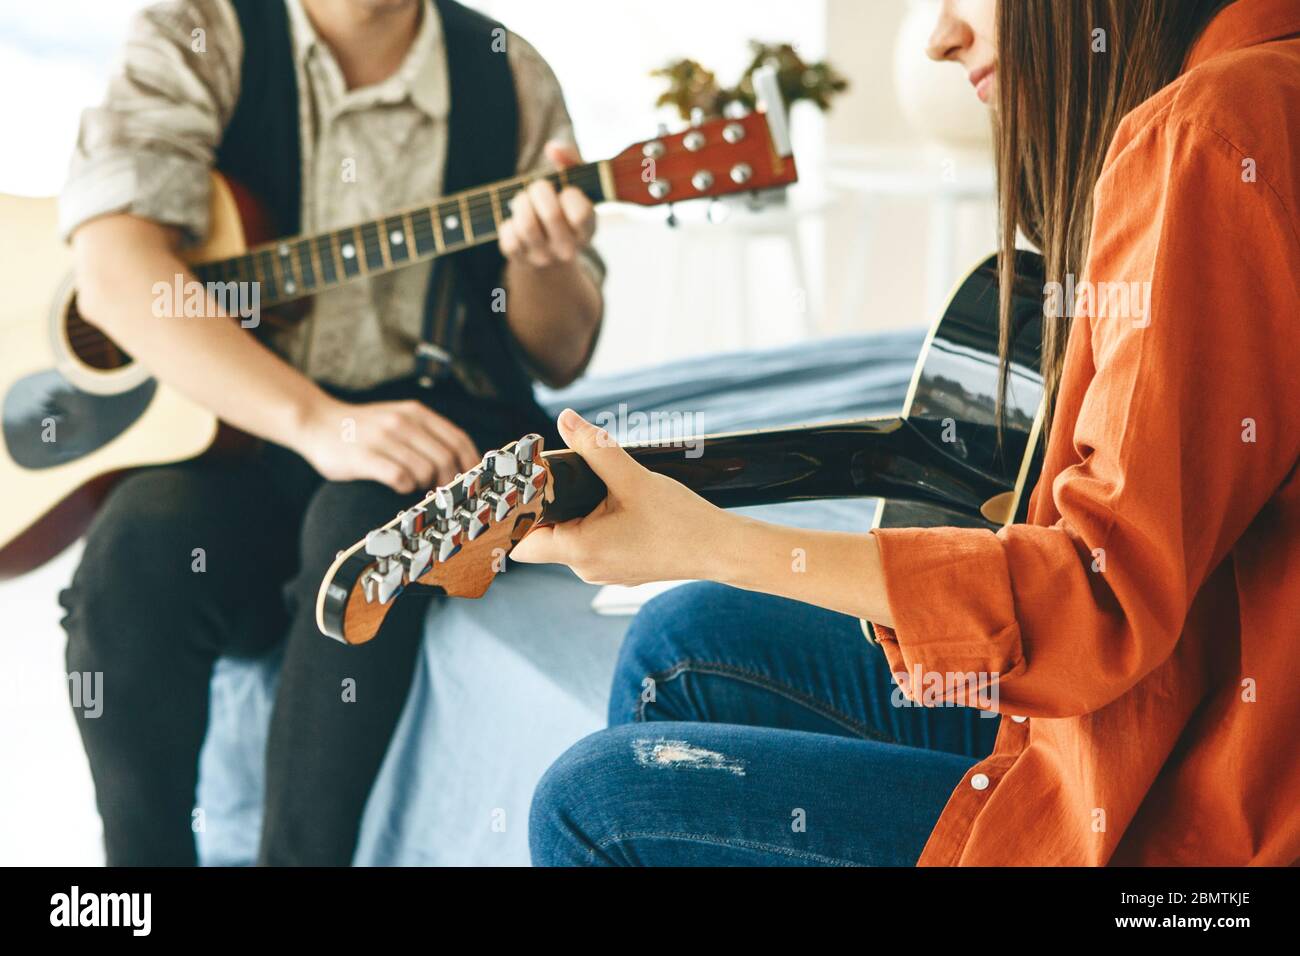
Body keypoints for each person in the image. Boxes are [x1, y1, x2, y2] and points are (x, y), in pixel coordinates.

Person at [519, 0, 1300, 866]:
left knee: (594, 801)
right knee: (681, 645)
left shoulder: (1207, 131)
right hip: (1157, 707)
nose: (939, 36)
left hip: (1187, 817)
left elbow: (1098, 597)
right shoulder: (1257, 87)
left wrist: (713, 542)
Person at [60, 0, 603, 865]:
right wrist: (319, 423)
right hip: (244, 430)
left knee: (364, 528)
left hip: (436, 427)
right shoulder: (200, 31)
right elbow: (114, 272)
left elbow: (563, 352)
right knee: (136, 547)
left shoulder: (506, 68)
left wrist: (543, 264)